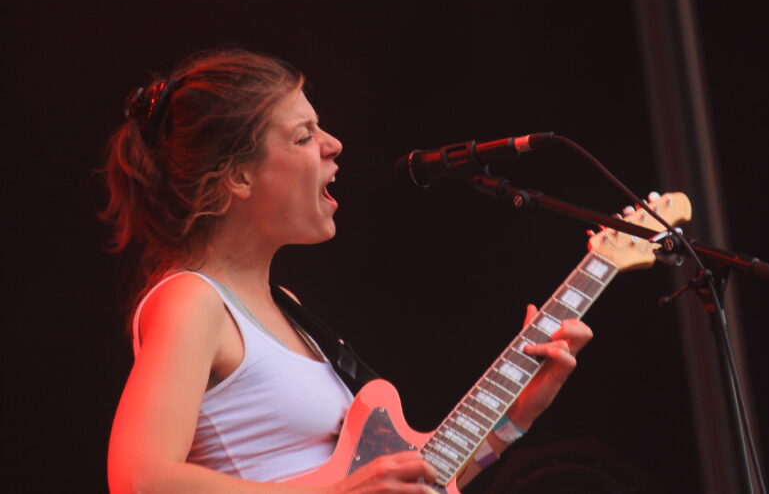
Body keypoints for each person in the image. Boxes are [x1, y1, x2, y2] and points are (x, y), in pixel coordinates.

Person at [104, 48, 592, 493]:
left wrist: (516, 416)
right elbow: (139, 480)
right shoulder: (192, 300)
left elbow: (420, 482)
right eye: (303, 135)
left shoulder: (286, 307)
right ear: (237, 175)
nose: (333, 144)